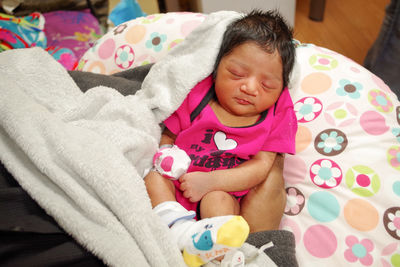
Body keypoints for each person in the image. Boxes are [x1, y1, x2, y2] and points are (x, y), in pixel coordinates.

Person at [144, 9, 297, 267]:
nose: (249, 88)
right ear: (217, 67)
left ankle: (216, 255)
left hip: (220, 190)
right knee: (153, 177)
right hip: (178, 185)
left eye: (267, 85)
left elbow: (261, 167)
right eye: (237, 74)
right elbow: (169, 133)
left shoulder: (278, 112)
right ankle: (179, 231)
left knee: (217, 200)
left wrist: (210, 181)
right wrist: (167, 153)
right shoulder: (198, 93)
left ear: (282, 87)